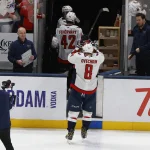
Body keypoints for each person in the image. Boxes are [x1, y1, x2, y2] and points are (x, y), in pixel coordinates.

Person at [66, 43, 104, 141]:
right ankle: (85, 129)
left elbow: (69, 57)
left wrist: (77, 48)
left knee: (73, 113)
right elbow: (102, 55)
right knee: (88, 112)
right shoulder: (97, 59)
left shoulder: (78, 58)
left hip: (78, 88)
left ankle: (70, 131)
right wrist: (96, 48)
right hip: (91, 89)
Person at [56, 12, 83, 90]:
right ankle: (70, 89)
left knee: (63, 77)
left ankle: (62, 90)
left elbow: (55, 44)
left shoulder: (59, 29)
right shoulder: (78, 30)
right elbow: (80, 44)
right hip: (73, 57)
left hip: (62, 56)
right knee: (73, 76)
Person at [0, 80, 15, 150]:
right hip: (4, 126)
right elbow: (10, 106)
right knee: (8, 145)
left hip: (4, 125)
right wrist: (12, 97)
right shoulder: (5, 95)